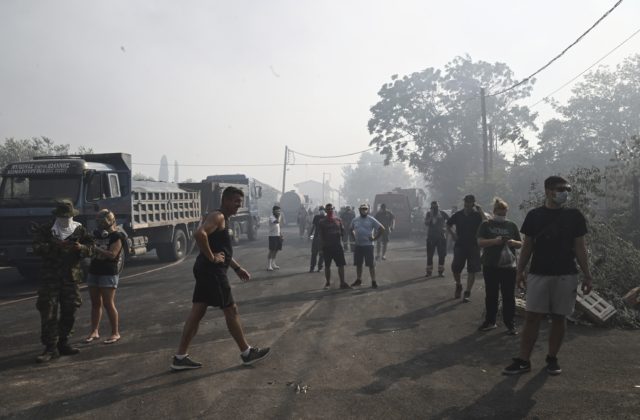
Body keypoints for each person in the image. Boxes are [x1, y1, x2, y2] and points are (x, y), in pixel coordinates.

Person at [171, 186, 270, 370]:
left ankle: (180, 357)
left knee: (197, 312)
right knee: (231, 310)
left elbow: (222, 250)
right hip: (212, 272)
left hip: (206, 270)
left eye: (240, 203)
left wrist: (237, 267)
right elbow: (199, 234)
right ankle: (247, 353)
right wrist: (212, 257)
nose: (238, 206)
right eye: (235, 202)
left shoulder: (223, 218)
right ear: (225, 201)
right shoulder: (218, 216)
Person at [503, 176, 593, 376]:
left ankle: (552, 358)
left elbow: (580, 247)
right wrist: (520, 270)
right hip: (538, 273)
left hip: (566, 274)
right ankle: (523, 360)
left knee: (559, 318)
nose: (564, 192)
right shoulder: (534, 216)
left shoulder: (574, 216)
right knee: (532, 317)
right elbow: (527, 246)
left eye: (567, 189)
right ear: (547, 190)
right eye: (560, 188)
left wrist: (587, 275)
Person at [32, 200, 94, 363]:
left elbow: (91, 247)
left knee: (70, 310)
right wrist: (55, 246)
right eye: (62, 217)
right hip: (50, 278)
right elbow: (36, 248)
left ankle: (63, 342)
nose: (65, 220)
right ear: (56, 216)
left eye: (68, 217)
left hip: (70, 278)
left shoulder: (79, 229)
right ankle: (50, 348)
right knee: (48, 312)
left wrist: (80, 248)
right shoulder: (46, 230)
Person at [477, 198, 522, 335]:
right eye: (499, 213)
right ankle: (490, 321)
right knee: (491, 294)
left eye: (504, 214)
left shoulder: (512, 226)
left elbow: (521, 244)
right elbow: (480, 242)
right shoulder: (485, 225)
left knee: (508, 295)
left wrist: (512, 242)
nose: (501, 216)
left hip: (508, 266)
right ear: (494, 211)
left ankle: (510, 324)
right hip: (490, 265)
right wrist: (494, 241)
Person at [85, 209, 126, 345]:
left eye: (103, 221)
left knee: (108, 303)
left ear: (110, 221)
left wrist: (95, 248)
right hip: (94, 271)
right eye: (99, 221)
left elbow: (112, 255)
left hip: (108, 272)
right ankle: (94, 331)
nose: (100, 224)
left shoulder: (117, 236)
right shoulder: (96, 234)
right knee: (95, 303)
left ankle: (115, 333)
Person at [446, 195, 486, 302]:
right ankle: (458, 285)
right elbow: (448, 224)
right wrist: (453, 235)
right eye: (466, 202)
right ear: (464, 203)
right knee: (455, 268)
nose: (468, 204)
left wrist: (481, 210)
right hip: (460, 245)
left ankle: (467, 292)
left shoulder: (477, 215)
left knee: (472, 270)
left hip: (474, 246)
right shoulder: (458, 215)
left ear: (473, 203)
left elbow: (487, 223)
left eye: (470, 202)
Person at [350, 203, 385, 288]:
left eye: (366, 209)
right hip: (358, 245)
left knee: (371, 264)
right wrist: (354, 238)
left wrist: (375, 238)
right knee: (358, 264)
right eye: (362, 209)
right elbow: (350, 229)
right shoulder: (355, 220)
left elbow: (382, 229)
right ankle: (359, 279)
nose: (364, 210)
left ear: (368, 210)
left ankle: (373, 281)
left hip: (368, 245)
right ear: (359, 210)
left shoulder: (371, 219)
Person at [318, 203, 351, 290]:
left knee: (341, 265)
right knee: (327, 266)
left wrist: (344, 244)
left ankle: (342, 283)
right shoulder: (322, 222)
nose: (329, 210)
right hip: (327, 247)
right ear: (325, 210)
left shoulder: (338, 220)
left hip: (337, 246)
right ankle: (328, 283)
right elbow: (320, 236)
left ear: (333, 209)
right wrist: (321, 248)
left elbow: (343, 232)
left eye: (331, 209)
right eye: (328, 209)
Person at [425, 201, 450, 277]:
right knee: (430, 255)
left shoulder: (442, 213)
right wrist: (431, 217)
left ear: (438, 207)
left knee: (442, 255)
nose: (435, 209)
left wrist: (445, 228)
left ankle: (441, 271)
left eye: (436, 207)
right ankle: (429, 271)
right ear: (431, 208)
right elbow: (426, 223)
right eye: (433, 208)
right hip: (431, 237)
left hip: (441, 237)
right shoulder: (429, 214)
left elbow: (450, 220)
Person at [308, 206, 325, 272]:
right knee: (314, 254)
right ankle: (312, 268)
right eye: (321, 210)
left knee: (322, 254)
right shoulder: (316, 217)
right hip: (316, 237)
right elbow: (313, 227)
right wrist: (310, 236)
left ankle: (319, 267)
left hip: (323, 238)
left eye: (322, 210)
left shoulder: (326, 218)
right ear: (319, 211)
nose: (321, 211)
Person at [267, 205, 283, 271]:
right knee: (271, 250)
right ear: (273, 211)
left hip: (278, 235)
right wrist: (279, 216)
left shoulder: (278, 216)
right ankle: (269, 265)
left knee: (276, 250)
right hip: (272, 236)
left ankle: (273, 263)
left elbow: (279, 226)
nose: (278, 212)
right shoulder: (271, 217)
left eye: (279, 211)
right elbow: (276, 222)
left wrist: (281, 234)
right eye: (277, 211)